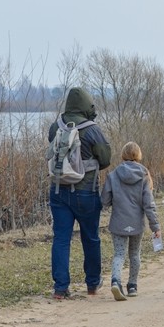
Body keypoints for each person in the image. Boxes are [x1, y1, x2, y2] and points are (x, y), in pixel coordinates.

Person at [48, 87, 111, 300]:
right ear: (87, 105)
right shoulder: (93, 130)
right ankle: (92, 284)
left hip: (58, 191)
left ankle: (60, 288)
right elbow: (105, 159)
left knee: (61, 239)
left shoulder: (54, 127)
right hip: (86, 193)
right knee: (91, 238)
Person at [101, 141, 161, 301]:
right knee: (135, 253)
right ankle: (132, 285)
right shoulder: (144, 175)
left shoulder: (113, 175)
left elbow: (105, 201)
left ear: (123, 154)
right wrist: (155, 226)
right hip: (136, 223)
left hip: (118, 222)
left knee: (119, 254)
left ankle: (115, 281)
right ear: (138, 155)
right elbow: (149, 204)